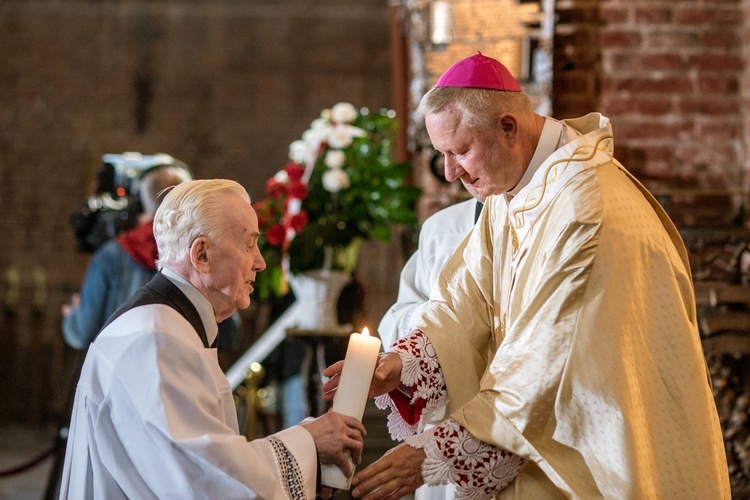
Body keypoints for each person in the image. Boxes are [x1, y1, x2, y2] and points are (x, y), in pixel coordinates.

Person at [324, 52, 730, 499]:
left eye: (460, 151)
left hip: (602, 454)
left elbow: (542, 364)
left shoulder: (583, 210)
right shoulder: (518, 186)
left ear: (508, 128)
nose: (449, 172)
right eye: (442, 154)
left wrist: (430, 454)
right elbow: (464, 300)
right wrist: (402, 366)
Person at [60, 179, 366, 499]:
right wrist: (308, 444)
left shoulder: (172, 328)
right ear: (202, 254)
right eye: (249, 244)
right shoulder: (156, 342)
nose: (260, 262)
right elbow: (204, 481)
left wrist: (307, 445)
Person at [61, 163, 193, 349]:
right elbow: (227, 332)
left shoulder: (113, 253)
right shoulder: (199, 253)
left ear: (140, 202)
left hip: (122, 371)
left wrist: (73, 316)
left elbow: (83, 332)